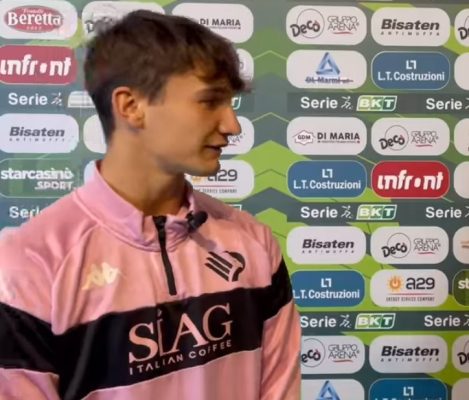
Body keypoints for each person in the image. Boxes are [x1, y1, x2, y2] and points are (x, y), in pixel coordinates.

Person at [0, 10, 301, 400]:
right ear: (131, 106)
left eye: (230, 104)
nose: (232, 125)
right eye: (210, 101)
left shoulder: (254, 242)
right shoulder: (30, 263)